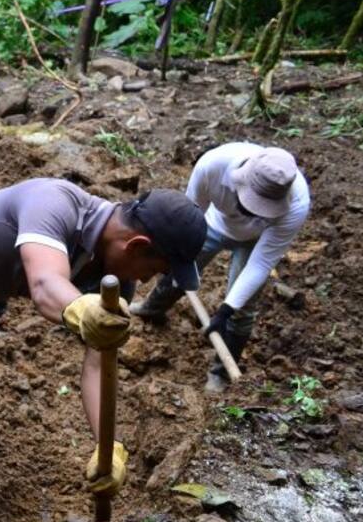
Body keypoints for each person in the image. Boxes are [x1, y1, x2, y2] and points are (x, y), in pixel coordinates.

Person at [0, 180, 207, 522]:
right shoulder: (54, 204)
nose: (146, 279)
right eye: (154, 269)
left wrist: (109, 448)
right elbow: (45, 283)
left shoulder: (116, 283)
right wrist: (82, 310)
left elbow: (98, 364)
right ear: (137, 245)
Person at [130, 143, 310, 392]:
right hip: (210, 224)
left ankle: (221, 373)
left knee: (242, 310)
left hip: (256, 241)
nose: (253, 212)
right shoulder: (212, 166)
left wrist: (227, 309)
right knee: (180, 268)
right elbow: (188, 217)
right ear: (240, 179)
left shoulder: (297, 203)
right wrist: (179, 257)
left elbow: (261, 263)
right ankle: (153, 308)